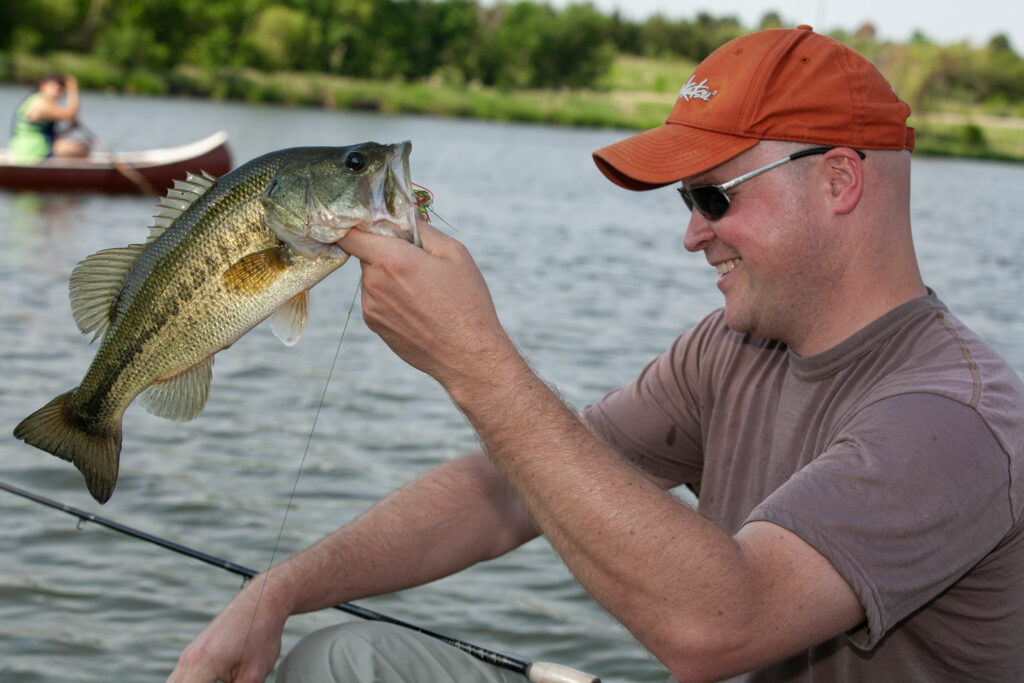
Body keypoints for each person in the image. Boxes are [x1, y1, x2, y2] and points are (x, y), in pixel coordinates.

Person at [169, 26, 1024, 683]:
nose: (692, 235)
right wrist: (277, 589)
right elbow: (510, 489)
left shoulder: (953, 417)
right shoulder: (732, 348)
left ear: (839, 180)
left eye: (712, 195)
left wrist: (477, 361)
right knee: (345, 661)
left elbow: (721, 624)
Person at [7, 73, 90, 164]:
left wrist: (71, 125)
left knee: (76, 146)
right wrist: (73, 89)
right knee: (83, 149)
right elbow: (71, 113)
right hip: (33, 151)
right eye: (54, 87)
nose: (56, 92)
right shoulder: (41, 103)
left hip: (25, 148)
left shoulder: (42, 101)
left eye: (60, 90)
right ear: (43, 86)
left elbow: (70, 120)